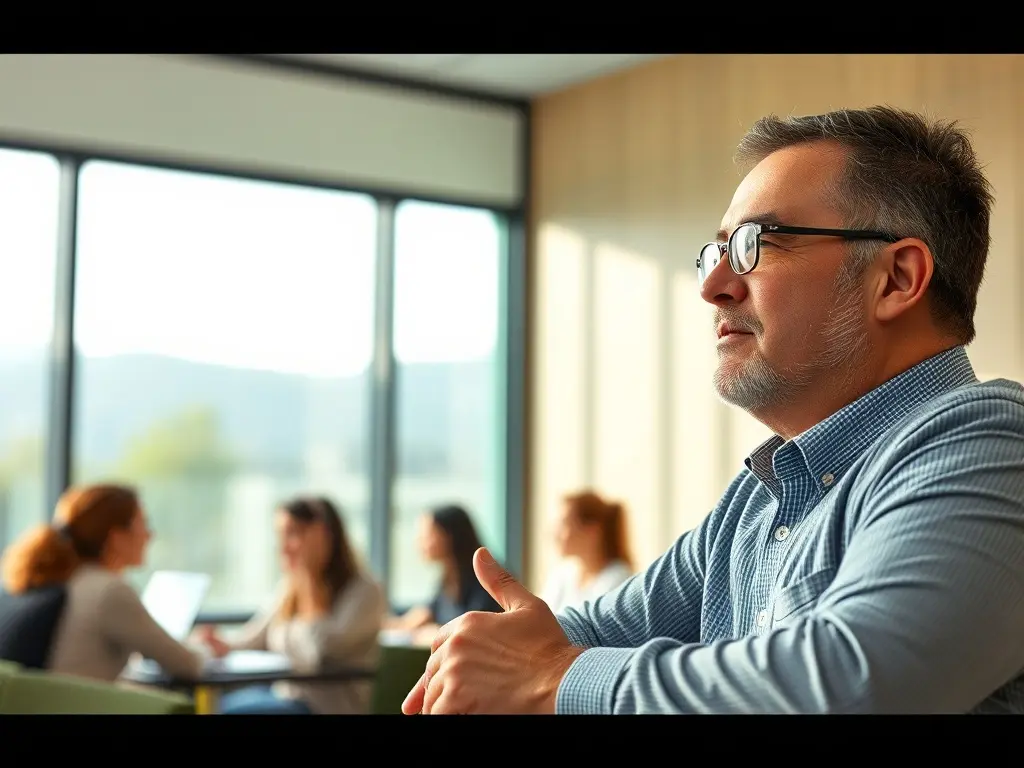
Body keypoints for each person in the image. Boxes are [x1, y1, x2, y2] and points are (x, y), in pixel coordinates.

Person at [400, 105, 1024, 715]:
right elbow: (574, 637)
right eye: (716, 250)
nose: (712, 285)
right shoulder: (755, 504)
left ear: (896, 278)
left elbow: (858, 680)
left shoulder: (993, 442)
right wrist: (484, 654)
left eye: (755, 244)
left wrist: (552, 680)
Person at [0, 483, 204, 682]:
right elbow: (187, 665)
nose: (150, 535)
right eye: (142, 524)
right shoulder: (108, 590)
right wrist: (205, 649)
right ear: (116, 537)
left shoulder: (62, 578)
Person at [199, 496, 385, 714]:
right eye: (280, 535)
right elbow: (256, 637)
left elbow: (320, 652)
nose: (283, 547)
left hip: (324, 707)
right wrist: (221, 644)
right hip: (284, 695)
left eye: (292, 534)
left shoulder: (365, 591)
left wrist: (311, 578)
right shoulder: (290, 588)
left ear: (324, 537)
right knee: (210, 704)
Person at [384, 504, 500, 643]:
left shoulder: (486, 579)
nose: (419, 542)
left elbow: (472, 632)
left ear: (449, 536)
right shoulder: (447, 580)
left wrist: (433, 633)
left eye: (427, 535)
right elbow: (421, 616)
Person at [540, 490, 633, 614]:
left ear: (592, 530)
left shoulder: (618, 580)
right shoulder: (563, 573)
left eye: (565, 524)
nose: (556, 534)